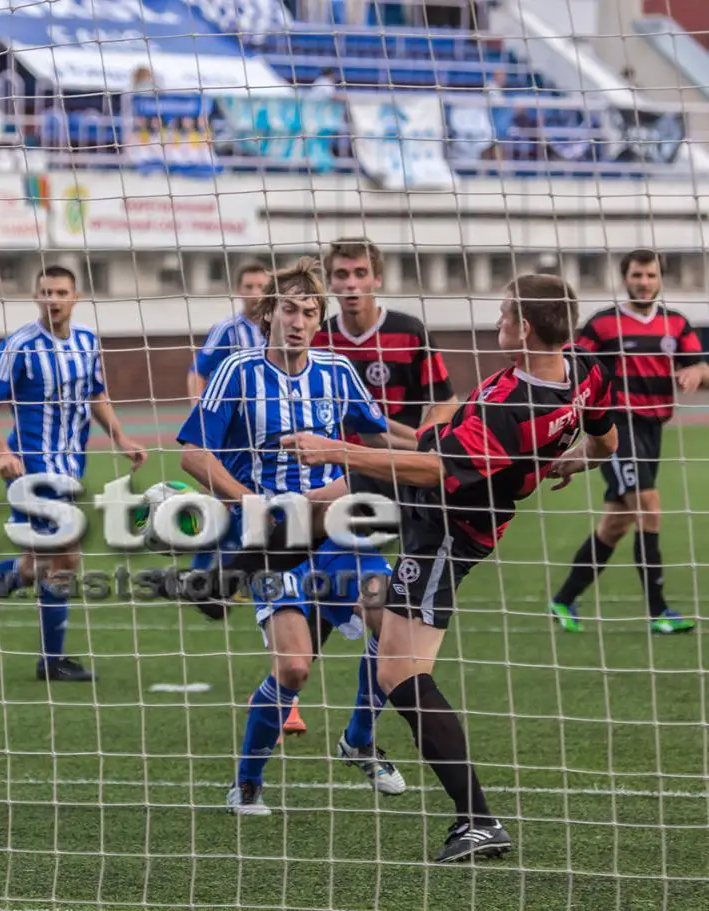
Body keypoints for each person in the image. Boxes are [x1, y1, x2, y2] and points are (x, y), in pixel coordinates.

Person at [281, 273, 618, 862]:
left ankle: (477, 821)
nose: (498, 320)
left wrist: (333, 447)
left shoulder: (513, 409)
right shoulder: (584, 369)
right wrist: (573, 462)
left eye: (506, 312)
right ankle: (244, 555)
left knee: (401, 675)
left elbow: (434, 469)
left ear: (528, 326)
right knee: (323, 517)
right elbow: (607, 442)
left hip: (447, 532)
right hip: (433, 508)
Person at [175, 257, 406, 814]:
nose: (299, 320)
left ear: (319, 320)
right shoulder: (237, 371)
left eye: (309, 311)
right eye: (288, 309)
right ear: (267, 313)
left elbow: (376, 451)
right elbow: (192, 452)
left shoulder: (338, 372)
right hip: (274, 540)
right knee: (295, 666)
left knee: (390, 621)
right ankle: (247, 781)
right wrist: (247, 499)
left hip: (339, 529)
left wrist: (426, 444)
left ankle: (358, 740)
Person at [0, 265, 147, 682]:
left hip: (71, 464)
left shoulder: (88, 341)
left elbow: (96, 394)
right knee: (66, 555)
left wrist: (121, 437)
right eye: (45, 292)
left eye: (61, 292)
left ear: (75, 297)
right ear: (35, 296)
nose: (53, 299)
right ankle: (51, 661)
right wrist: (2, 453)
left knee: (33, 566)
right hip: (31, 465)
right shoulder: (18, 345)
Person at [548, 249, 707, 633]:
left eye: (651, 275)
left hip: (654, 429)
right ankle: (659, 612)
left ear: (659, 279)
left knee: (614, 526)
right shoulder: (603, 325)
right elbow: (573, 368)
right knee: (649, 507)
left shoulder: (675, 324)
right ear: (625, 278)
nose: (644, 282)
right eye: (637, 275)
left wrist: (696, 373)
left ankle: (563, 599)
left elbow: (699, 362)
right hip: (619, 428)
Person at [316, 237, 459, 439]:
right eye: (342, 275)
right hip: (336, 462)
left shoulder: (410, 333)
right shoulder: (318, 337)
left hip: (394, 462)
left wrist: (422, 440)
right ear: (330, 282)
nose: (351, 283)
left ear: (377, 279)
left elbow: (446, 402)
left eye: (360, 273)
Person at [187, 261, 272, 404]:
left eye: (261, 287)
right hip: (241, 414)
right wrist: (200, 417)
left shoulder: (282, 327)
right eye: (249, 287)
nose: (255, 293)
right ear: (239, 289)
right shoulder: (227, 330)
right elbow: (197, 373)